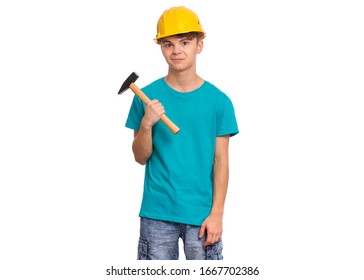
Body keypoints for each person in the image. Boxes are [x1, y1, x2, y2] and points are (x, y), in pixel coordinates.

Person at [125, 6, 239, 260]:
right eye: (168, 44)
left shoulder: (219, 102)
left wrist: (217, 214)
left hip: (202, 216)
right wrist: (146, 125)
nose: (176, 50)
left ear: (199, 45)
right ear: (161, 48)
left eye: (185, 42)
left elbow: (221, 162)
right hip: (157, 213)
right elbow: (140, 157)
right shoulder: (145, 98)